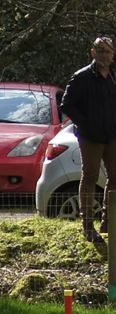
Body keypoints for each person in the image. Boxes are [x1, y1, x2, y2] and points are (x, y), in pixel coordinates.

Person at [61, 36, 116, 250]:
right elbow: (67, 104)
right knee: (90, 176)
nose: (104, 55)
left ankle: (108, 222)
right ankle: (87, 226)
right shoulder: (81, 77)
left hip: (112, 136)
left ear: (113, 54)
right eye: (100, 51)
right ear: (93, 52)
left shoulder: (113, 76)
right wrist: (86, 124)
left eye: (108, 51)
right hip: (90, 137)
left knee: (115, 178)